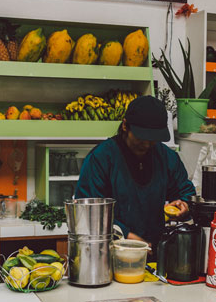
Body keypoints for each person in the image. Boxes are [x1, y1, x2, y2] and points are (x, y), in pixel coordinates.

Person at [74, 95, 194, 247]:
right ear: (125, 126)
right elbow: (88, 211)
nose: (147, 144)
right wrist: (126, 236)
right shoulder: (101, 158)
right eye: (142, 138)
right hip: (108, 250)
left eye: (153, 139)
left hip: (154, 249)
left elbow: (186, 192)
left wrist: (183, 205)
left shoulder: (167, 157)